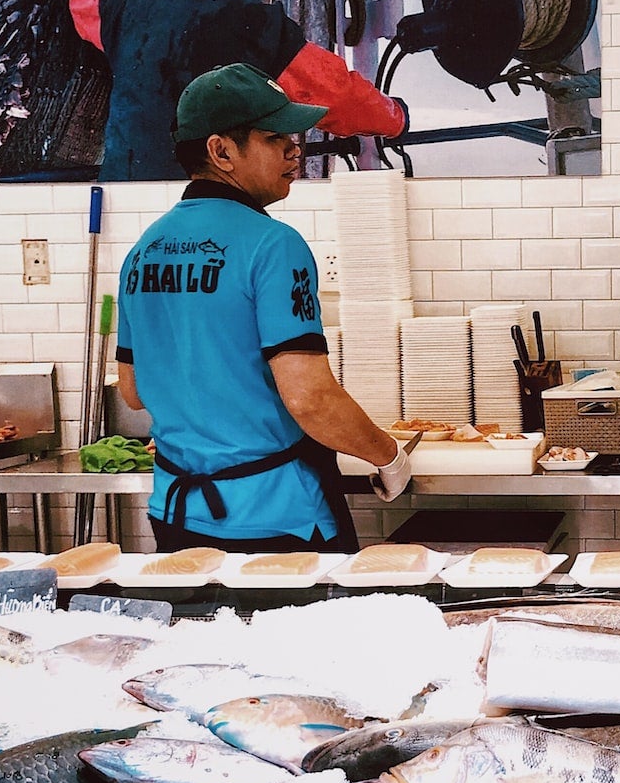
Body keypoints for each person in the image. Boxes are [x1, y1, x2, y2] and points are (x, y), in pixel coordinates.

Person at [114, 63, 413, 553]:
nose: (295, 151)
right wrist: (389, 456)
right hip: (276, 518)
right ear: (221, 152)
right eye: (276, 139)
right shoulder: (274, 244)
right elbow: (310, 399)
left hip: (177, 514)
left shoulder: (143, 252)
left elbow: (133, 391)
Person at [71, 0, 407, 181]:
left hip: (127, 189)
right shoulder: (258, 23)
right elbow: (336, 94)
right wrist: (395, 118)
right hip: (211, 196)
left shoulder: (133, 1)